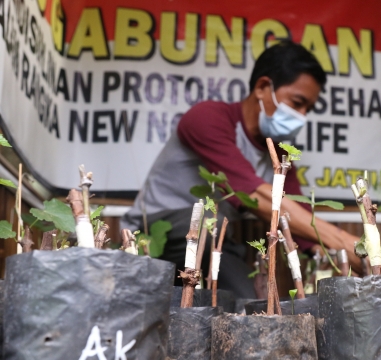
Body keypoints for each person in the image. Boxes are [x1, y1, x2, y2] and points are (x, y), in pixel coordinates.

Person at [121, 41, 361, 298]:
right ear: (261, 87)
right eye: (297, 102)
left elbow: (297, 218)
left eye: (308, 109)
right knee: (241, 295)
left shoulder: (280, 153)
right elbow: (253, 194)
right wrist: (347, 243)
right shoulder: (207, 118)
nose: (302, 116)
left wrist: (330, 255)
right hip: (155, 232)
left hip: (215, 240)